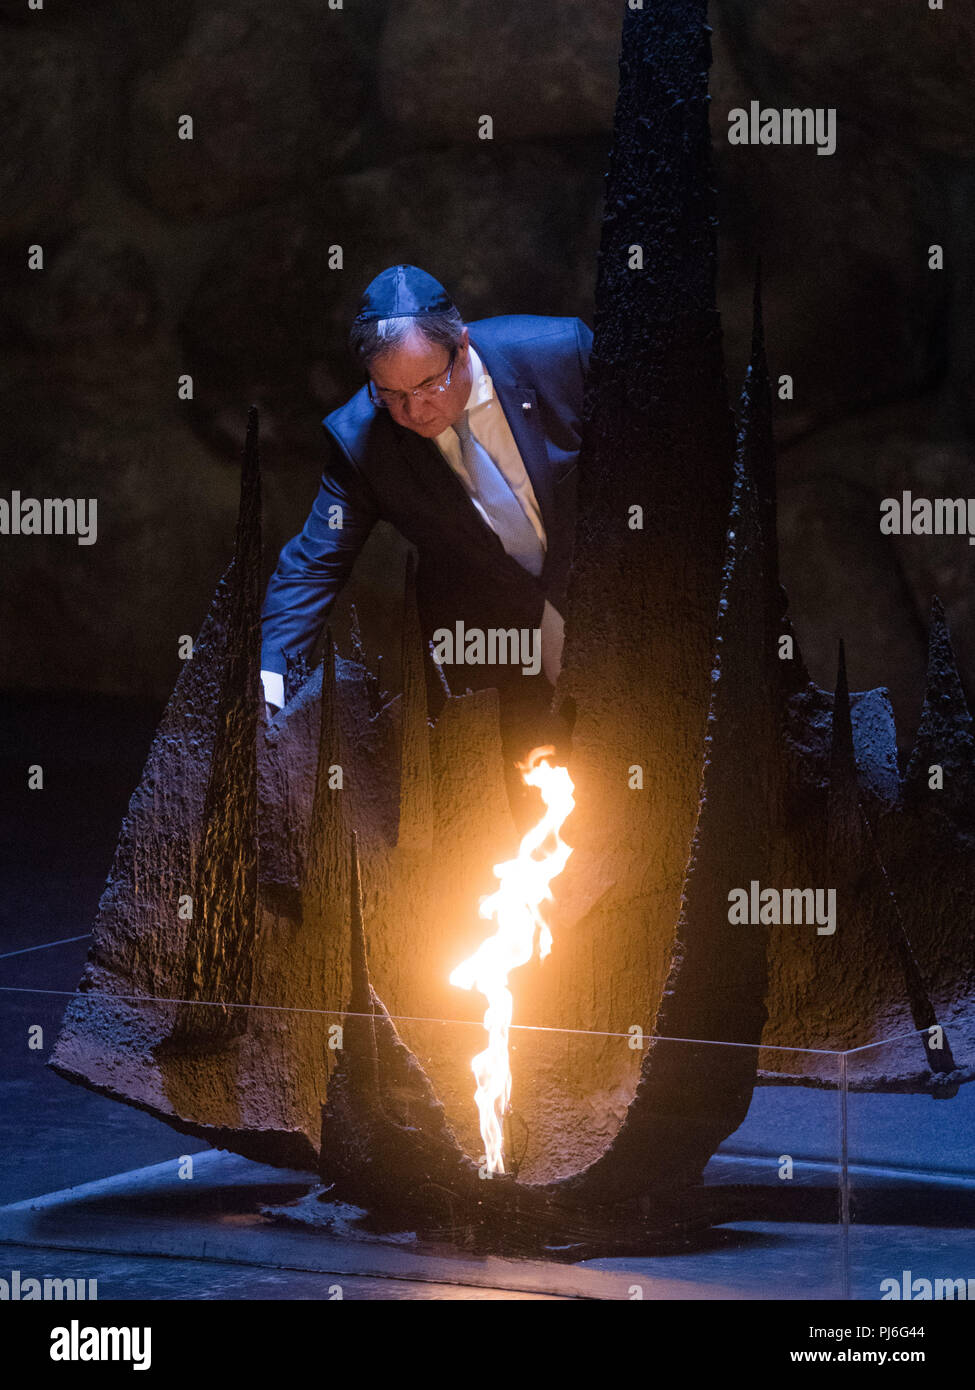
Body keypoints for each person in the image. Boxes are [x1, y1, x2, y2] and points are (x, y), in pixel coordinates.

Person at [260, 264, 592, 820]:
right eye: (390, 393)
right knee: (519, 823)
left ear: (462, 348)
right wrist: (268, 677)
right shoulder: (360, 437)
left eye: (428, 385)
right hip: (489, 647)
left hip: (611, 608)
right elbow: (314, 564)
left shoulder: (563, 354)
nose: (415, 412)